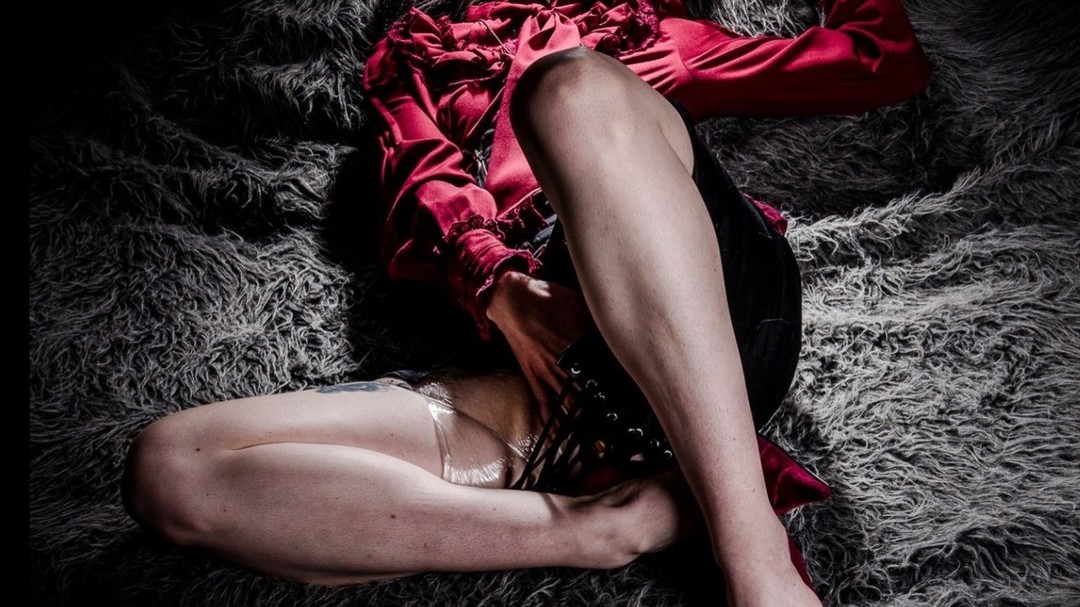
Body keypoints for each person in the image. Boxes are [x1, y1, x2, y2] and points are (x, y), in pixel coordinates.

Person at [122, 0, 931, 604]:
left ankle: (751, 548)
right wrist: (501, 289)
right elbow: (422, 187)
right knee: (172, 469)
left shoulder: (645, 33)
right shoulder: (418, 56)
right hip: (557, 376)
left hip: (718, 309)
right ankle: (607, 525)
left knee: (569, 90)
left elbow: (880, 58)